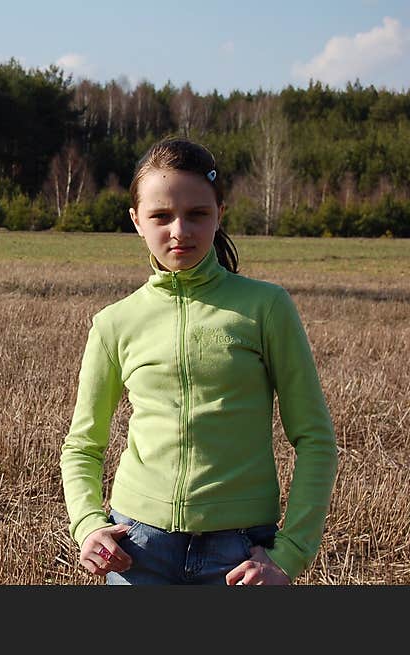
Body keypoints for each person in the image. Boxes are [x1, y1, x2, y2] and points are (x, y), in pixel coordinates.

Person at [59, 137, 338, 585]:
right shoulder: (114, 323)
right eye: (160, 216)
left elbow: (315, 438)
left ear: (220, 213)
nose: (179, 231)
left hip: (239, 554)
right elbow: (82, 445)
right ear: (136, 220)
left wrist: (291, 553)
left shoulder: (266, 308)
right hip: (137, 549)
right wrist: (88, 524)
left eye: (197, 214)